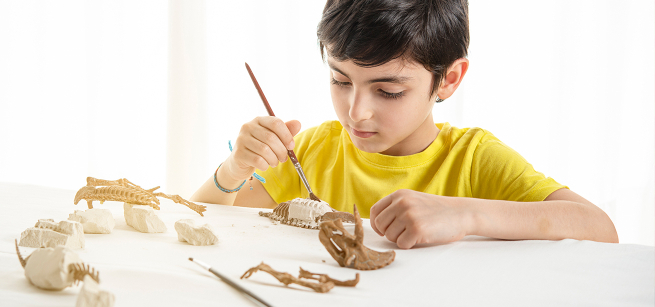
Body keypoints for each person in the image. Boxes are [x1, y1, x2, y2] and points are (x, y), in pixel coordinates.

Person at [191, 0, 618, 249]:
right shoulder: (314, 149)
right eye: (340, 80)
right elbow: (203, 218)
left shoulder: (473, 158)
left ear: (448, 80)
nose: (355, 112)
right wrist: (234, 169)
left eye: (388, 91)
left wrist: (465, 214)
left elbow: (601, 229)